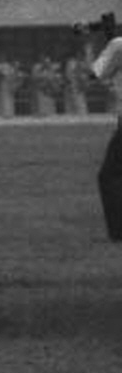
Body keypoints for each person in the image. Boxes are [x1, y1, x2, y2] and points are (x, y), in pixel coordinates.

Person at [84, 14, 122, 239]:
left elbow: (94, 74)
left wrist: (98, 44)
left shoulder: (117, 45)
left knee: (109, 175)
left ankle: (118, 231)